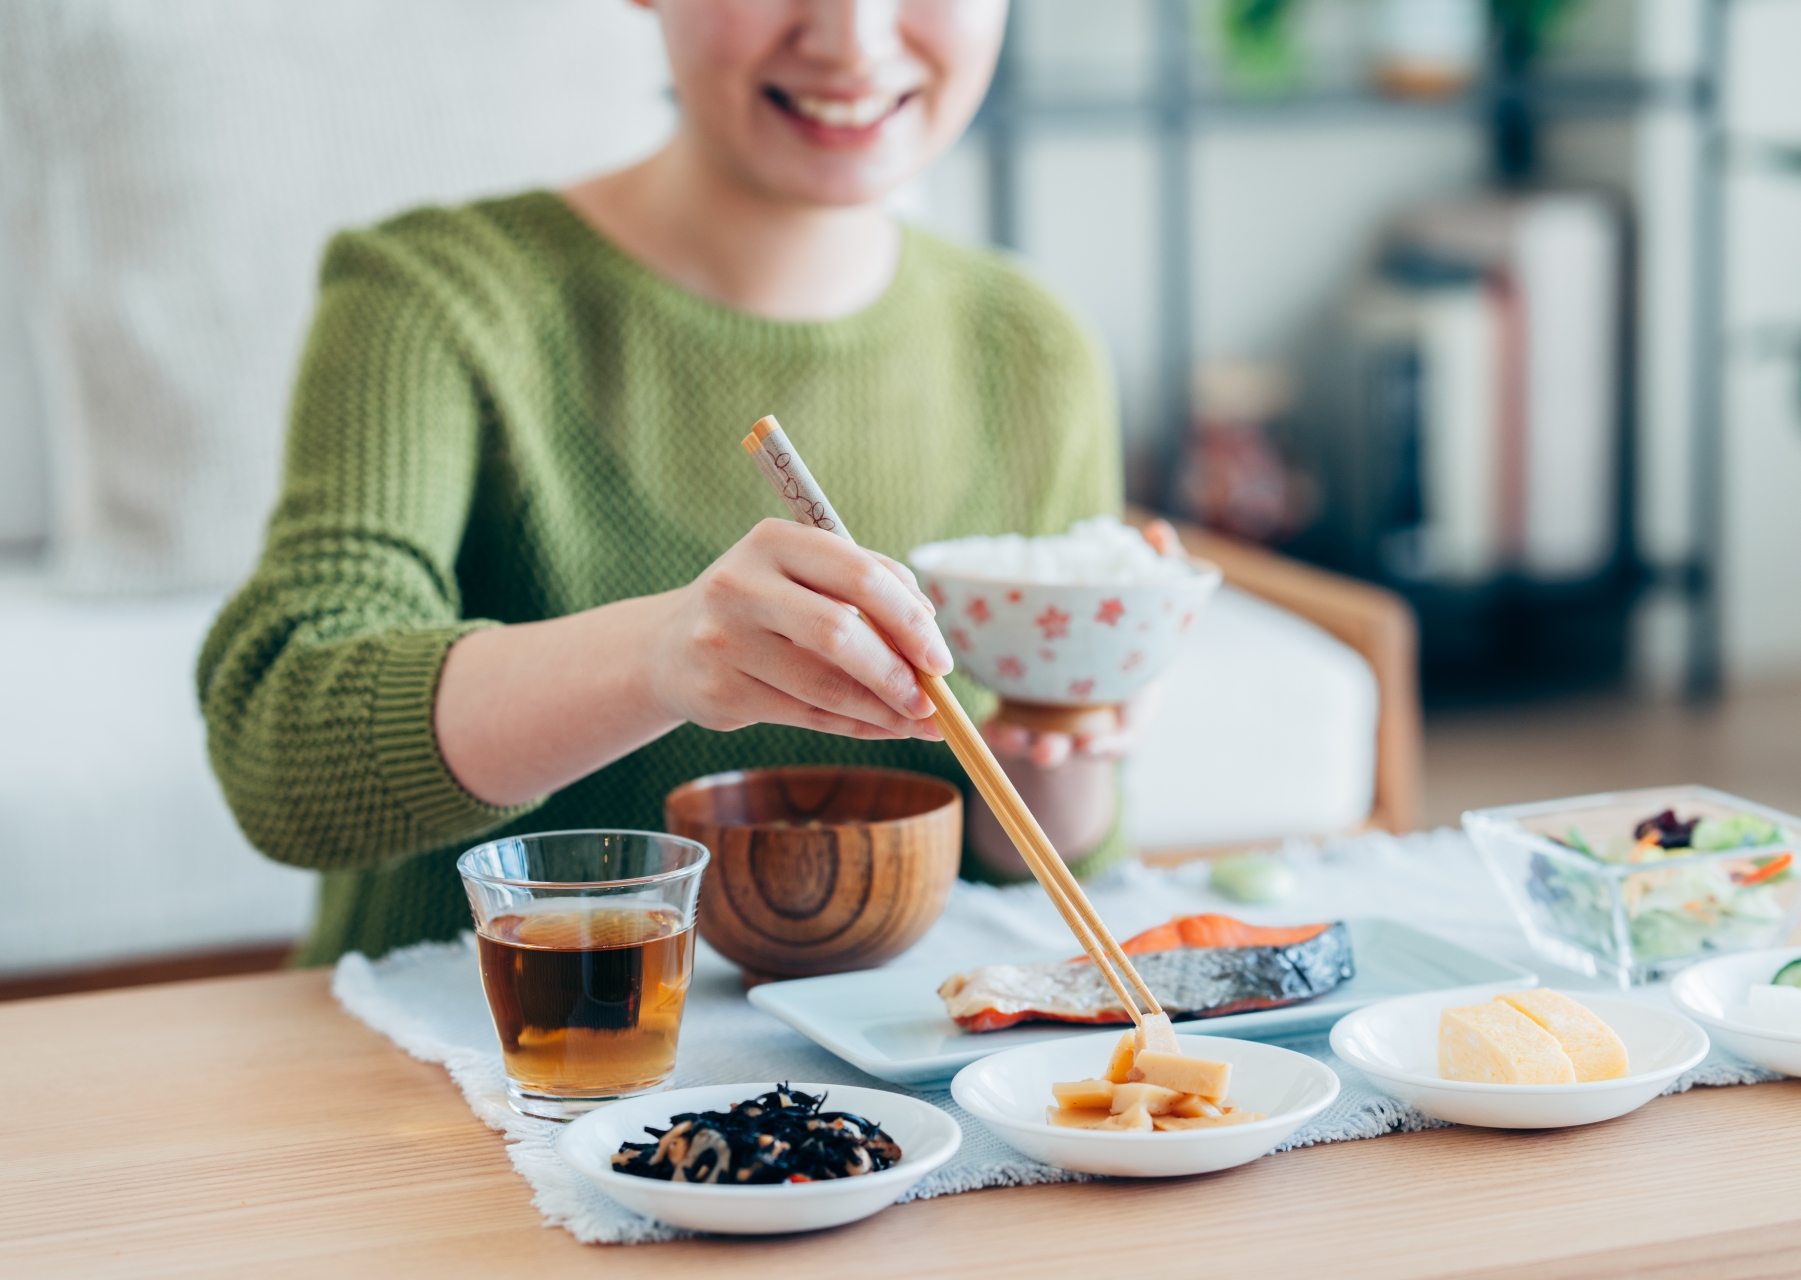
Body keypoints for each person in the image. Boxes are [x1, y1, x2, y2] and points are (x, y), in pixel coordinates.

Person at [198, 0, 1141, 965]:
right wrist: (661, 657)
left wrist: (1060, 746)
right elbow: (284, 748)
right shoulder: (433, 296)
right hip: (467, 1064)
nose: (853, 39)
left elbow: (1036, 872)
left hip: (858, 1086)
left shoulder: (1034, 347)